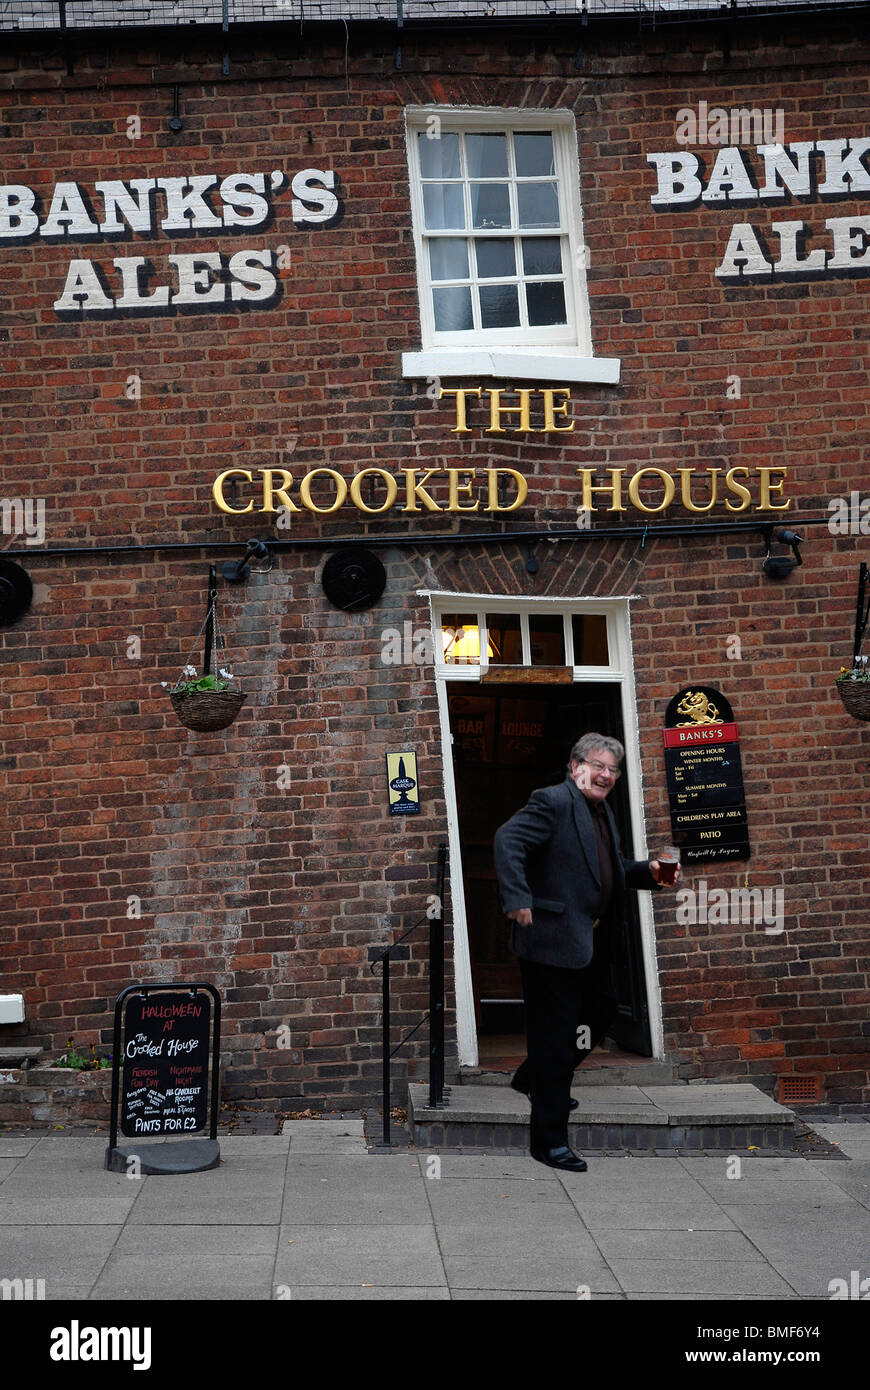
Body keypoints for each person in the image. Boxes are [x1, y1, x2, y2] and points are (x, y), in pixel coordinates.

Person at [493, 732, 679, 1172]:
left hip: (589, 942)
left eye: (613, 769)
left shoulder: (601, 812)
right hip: (550, 940)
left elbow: (609, 871)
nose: (607, 775)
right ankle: (549, 1142)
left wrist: (649, 872)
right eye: (598, 765)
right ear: (575, 765)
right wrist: (517, 897)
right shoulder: (553, 801)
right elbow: (507, 840)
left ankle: (532, 1076)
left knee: (601, 1012)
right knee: (556, 1041)